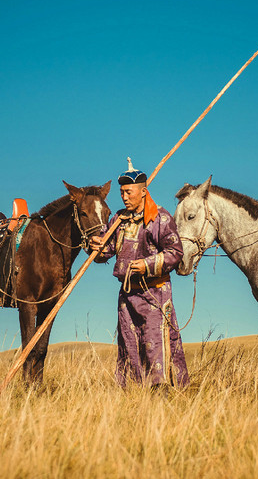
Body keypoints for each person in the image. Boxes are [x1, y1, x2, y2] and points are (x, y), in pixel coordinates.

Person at [89, 158, 189, 390]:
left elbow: (176, 251)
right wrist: (96, 247)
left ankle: (163, 393)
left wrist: (147, 265)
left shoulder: (160, 218)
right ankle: (134, 395)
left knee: (156, 344)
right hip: (127, 296)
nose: (124, 197)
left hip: (155, 294)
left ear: (143, 192)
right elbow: (108, 250)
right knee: (129, 346)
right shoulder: (118, 220)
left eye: (129, 192)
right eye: (122, 192)